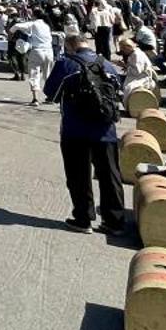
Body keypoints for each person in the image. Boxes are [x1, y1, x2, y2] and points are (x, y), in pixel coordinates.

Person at [43, 31, 125, 232]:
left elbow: (51, 93)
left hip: (75, 129)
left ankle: (83, 218)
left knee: (79, 176)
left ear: (69, 46)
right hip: (106, 129)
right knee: (110, 175)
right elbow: (119, 92)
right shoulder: (106, 64)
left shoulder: (67, 64)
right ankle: (114, 221)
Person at [15, 9, 54, 106]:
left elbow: (17, 26)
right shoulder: (47, 26)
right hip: (49, 51)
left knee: (34, 75)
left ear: (34, 15)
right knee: (47, 75)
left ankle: (35, 99)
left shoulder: (33, 24)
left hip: (37, 51)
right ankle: (50, 96)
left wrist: (11, 32)